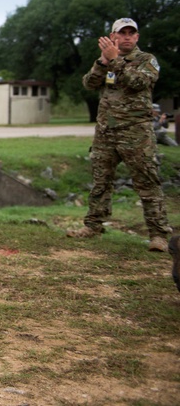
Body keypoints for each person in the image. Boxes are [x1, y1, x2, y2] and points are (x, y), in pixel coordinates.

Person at [67, 18, 172, 252]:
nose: (126, 36)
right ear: (112, 36)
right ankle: (93, 226)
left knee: (147, 182)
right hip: (106, 131)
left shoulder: (147, 60)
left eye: (130, 33)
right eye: (121, 32)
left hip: (136, 132)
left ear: (137, 37)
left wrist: (115, 60)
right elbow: (89, 84)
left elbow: (138, 82)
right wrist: (102, 61)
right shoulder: (106, 61)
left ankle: (158, 234)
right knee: (100, 182)